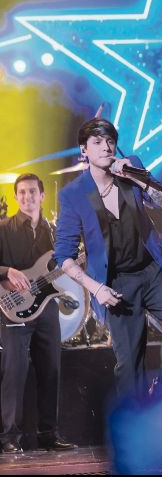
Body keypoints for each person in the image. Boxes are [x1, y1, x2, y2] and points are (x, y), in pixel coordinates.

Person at [54, 118, 162, 397]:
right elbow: (65, 256)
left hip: (152, 271)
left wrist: (136, 177)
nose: (106, 147)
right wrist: (96, 289)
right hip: (115, 284)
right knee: (130, 364)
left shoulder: (131, 167)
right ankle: (136, 424)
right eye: (97, 142)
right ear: (83, 150)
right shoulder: (73, 194)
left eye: (110, 141)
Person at [0, 174, 76, 453]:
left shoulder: (55, 232)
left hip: (46, 309)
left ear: (43, 196)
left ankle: (49, 435)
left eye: (32, 191)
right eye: (21, 192)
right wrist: (7, 271)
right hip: (11, 309)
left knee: (51, 369)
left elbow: (61, 270)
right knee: (14, 371)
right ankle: (9, 437)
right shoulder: (3, 228)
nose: (26, 196)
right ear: (16, 196)